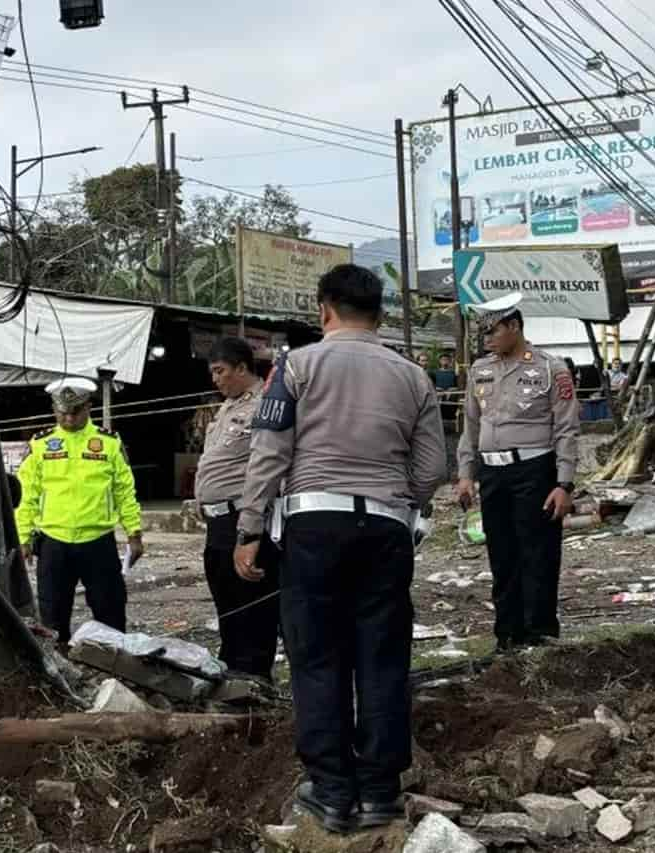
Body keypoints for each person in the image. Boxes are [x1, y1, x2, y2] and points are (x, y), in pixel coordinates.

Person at [234, 264, 446, 833]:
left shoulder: (296, 365)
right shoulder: (413, 376)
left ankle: (330, 791)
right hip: (385, 528)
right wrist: (401, 503)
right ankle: (380, 792)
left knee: (317, 655)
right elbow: (432, 469)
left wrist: (250, 528)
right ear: (379, 314)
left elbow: (270, 454)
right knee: (382, 657)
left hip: (313, 528)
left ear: (323, 309)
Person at [455, 292, 580, 652]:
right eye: (482, 334)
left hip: (534, 470)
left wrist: (564, 483)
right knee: (502, 554)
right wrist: (466, 474)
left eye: (492, 331)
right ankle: (507, 635)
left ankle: (538, 633)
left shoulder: (549, 368)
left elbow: (567, 429)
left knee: (537, 553)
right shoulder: (480, 370)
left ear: (514, 326)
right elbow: (470, 426)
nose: (487, 339)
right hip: (492, 473)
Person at [15, 377, 143, 643]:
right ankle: (59, 671)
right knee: (52, 617)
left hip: (98, 542)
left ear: (88, 408)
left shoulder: (108, 443)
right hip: (53, 543)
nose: (69, 419)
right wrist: (23, 537)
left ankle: (116, 670)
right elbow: (27, 495)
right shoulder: (41, 445)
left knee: (110, 613)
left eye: (75, 412)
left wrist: (134, 533)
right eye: (62, 412)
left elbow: (124, 491)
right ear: (54, 410)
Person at [194, 336, 280, 680]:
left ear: (242, 368)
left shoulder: (265, 405)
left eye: (220, 371)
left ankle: (254, 678)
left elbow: (267, 466)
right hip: (217, 522)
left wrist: (251, 527)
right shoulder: (227, 406)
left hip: (243, 518)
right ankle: (231, 674)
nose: (215, 379)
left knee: (252, 605)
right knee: (227, 604)